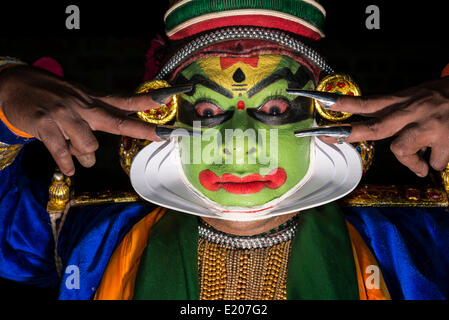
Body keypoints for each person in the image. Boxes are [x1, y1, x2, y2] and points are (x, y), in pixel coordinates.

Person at [0, 0, 448, 300]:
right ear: (165, 117)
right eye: (208, 109)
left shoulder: (416, 239)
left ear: (324, 115)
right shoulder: (83, 235)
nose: (241, 146)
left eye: (273, 107)